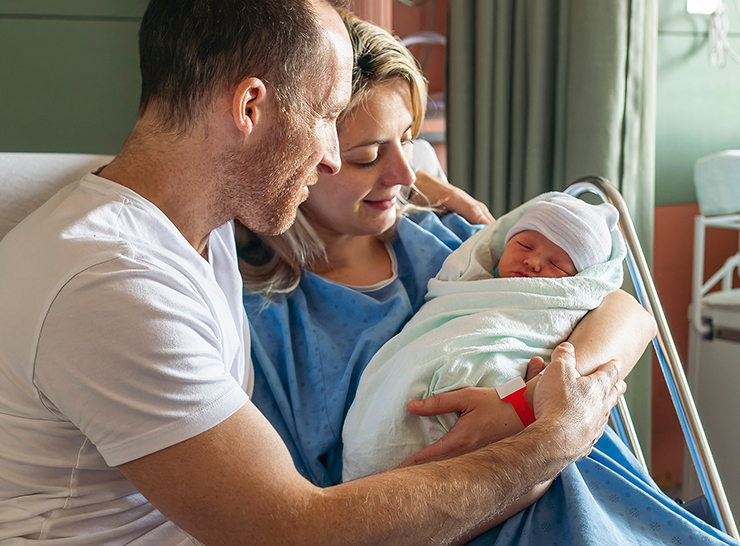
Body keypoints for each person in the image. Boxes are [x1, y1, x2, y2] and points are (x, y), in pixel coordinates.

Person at [0, 1, 636, 545]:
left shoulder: (193, 217)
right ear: (250, 108)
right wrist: (549, 441)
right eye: (327, 116)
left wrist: (436, 194)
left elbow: (365, 182)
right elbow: (293, 529)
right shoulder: (109, 281)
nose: (332, 158)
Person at [241, 10, 740, 546]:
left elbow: (626, 314)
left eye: (407, 141)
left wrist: (525, 409)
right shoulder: (273, 324)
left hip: (584, 482)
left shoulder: (450, 241)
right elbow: (307, 509)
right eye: (367, 157)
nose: (406, 176)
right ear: (301, 152)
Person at [342, 194, 625, 480]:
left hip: (529, 433)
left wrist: (522, 400)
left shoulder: (558, 305)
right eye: (525, 245)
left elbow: (629, 315)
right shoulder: (465, 280)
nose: (534, 262)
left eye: (559, 265)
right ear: (504, 243)